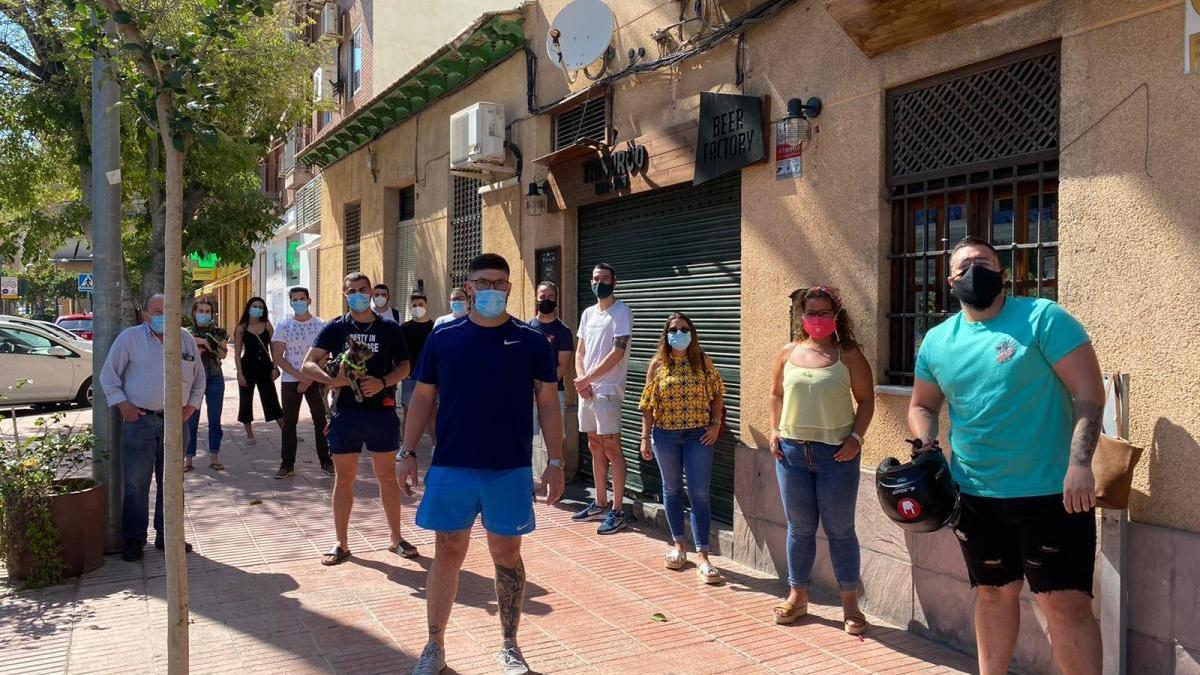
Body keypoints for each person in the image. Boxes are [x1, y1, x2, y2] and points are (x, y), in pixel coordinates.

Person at [908, 237, 1103, 675]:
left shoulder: (1043, 319)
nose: (975, 270)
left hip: (1054, 492)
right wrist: (926, 444)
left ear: (1003, 271)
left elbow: (1088, 395)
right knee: (994, 593)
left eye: (985, 262)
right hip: (975, 494)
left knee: (1065, 603)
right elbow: (922, 404)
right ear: (950, 281)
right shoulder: (938, 341)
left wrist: (1080, 464)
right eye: (965, 266)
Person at [399, 253, 564, 675]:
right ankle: (434, 645)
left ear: (510, 287)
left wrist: (557, 460)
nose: (492, 289)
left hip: (508, 468)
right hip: (452, 465)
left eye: (500, 282)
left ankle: (510, 646)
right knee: (447, 551)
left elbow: (548, 402)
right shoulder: (444, 337)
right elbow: (422, 397)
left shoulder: (530, 341)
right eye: (483, 282)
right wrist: (407, 451)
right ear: (468, 287)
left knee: (506, 554)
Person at [767, 285, 873, 633]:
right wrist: (774, 430)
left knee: (841, 531)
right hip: (792, 455)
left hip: (836, 457)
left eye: (824, 312)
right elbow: (775, 394)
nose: (816, 318)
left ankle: (850, 606)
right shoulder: (788, 352)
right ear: (801, 316)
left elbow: (866, 400)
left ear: (836, 315)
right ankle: (797, 598)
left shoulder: (849, 355)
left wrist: (856, 439)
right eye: (810, 312)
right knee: (799, 529)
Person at [301, 272, 417, 566]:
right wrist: (334, 379)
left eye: (363, 290)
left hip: (381, 412)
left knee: (387, 477)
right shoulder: (335, 328)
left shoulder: (389, 328)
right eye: (351, 290)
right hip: (346, 414)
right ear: (344, 294)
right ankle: (341, 543)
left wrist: (382, 381)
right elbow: (308, 364)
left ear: (373, 292)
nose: (358, 294)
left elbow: (405, 366)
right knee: (345, 479)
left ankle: (396, 539)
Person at [100, 293, 203, 562]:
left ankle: (169, 536)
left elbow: (199, 380)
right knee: (136, 482)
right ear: (145, 314)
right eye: (156, 310)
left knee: (172, 482)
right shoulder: (129, 339)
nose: (162, 315)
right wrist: (123, 406)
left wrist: (190, 408)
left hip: (176, 422)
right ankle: (133, 540)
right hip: (140, 422)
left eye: (167, 309)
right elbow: (108, 376)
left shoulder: (185, 339)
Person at [638, 312, 725, 583]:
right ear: (666, 335)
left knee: (699, 493)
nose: (679, 333)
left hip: (698, 435)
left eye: (684, 328)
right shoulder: (657, 365)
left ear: (692, 332)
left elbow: (717, 393)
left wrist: (715, 425)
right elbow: (648, 405)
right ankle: (678, 546)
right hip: (665, 436)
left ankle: (703, 556)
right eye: (673, 329)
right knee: (672, 490)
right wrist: (645, 437)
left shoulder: (702, 361)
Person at [572, 263, 633, 534]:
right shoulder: (587, 313)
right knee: (594, 444)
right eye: (596, 278)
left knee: (611, 447)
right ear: (591, 282)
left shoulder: (621, 311)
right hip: (587, 390)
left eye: (605, 278)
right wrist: (581, 379)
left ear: (615, 282)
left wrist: (589, 379)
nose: (600, 283)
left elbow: (617, 352)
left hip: (607, 390)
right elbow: (580, 351)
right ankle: (599, 501)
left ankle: (618, 510)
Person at [270, 287, 332, 478]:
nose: (299, 302)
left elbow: (324, 354)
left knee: (320, 419)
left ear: (309, 300)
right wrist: (300, 377)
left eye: (302, 299)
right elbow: (278, 356)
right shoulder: (284, 325)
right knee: (289, 422)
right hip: (291, 381)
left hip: (316, 380)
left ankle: (326, 461)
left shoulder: (321, 325)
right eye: (294, 300)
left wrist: (310, 378)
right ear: (290, 302)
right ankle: (287, 464)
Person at [527, 281, 573, 446]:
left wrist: (543, 390)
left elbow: (562, 366)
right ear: (536, 299)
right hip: (528, 394)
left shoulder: (564, 332)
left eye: (550, 297)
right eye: (542, 296)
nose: (546, 300)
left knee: (556, 442)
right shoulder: (526, 329)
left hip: (555, 393)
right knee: (528, 442)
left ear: (556, 300)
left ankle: (558, 471)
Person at [186, 298, 228, 472]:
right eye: (200, 311)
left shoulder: (218, 331)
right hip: (193, 379)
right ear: (194, 312)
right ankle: (188, 459)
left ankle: (214, 456)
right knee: (190, 420)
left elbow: (223, 353)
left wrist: (204, 343)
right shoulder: (185, 332)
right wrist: (205, 344)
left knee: (214, 419)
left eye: (207, 311)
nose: (204, 314)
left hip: (214, 377)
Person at [234, 297, 282, 444]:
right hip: (247, 366)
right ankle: (249, 434)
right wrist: (240, 373)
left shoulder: (267, 325)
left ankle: (286, 431)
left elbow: (274, 347)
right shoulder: (241, 328)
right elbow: (236, 353)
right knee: (246, 400)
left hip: (265, 367)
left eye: (261, 307)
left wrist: (275, 366)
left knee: (271, 399)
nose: (258, 309)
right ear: (248, 308)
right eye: (255, 306)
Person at [398, 292, 436, 448]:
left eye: (420, 304)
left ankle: (435, 446)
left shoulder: (434, 327)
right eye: (414, 305)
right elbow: (399, 353)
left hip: (430, 376)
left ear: (426, 305)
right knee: (408, 412)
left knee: (432, 412)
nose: (417, 308)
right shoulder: (404, 328)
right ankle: (405, 447)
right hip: (410, 376)